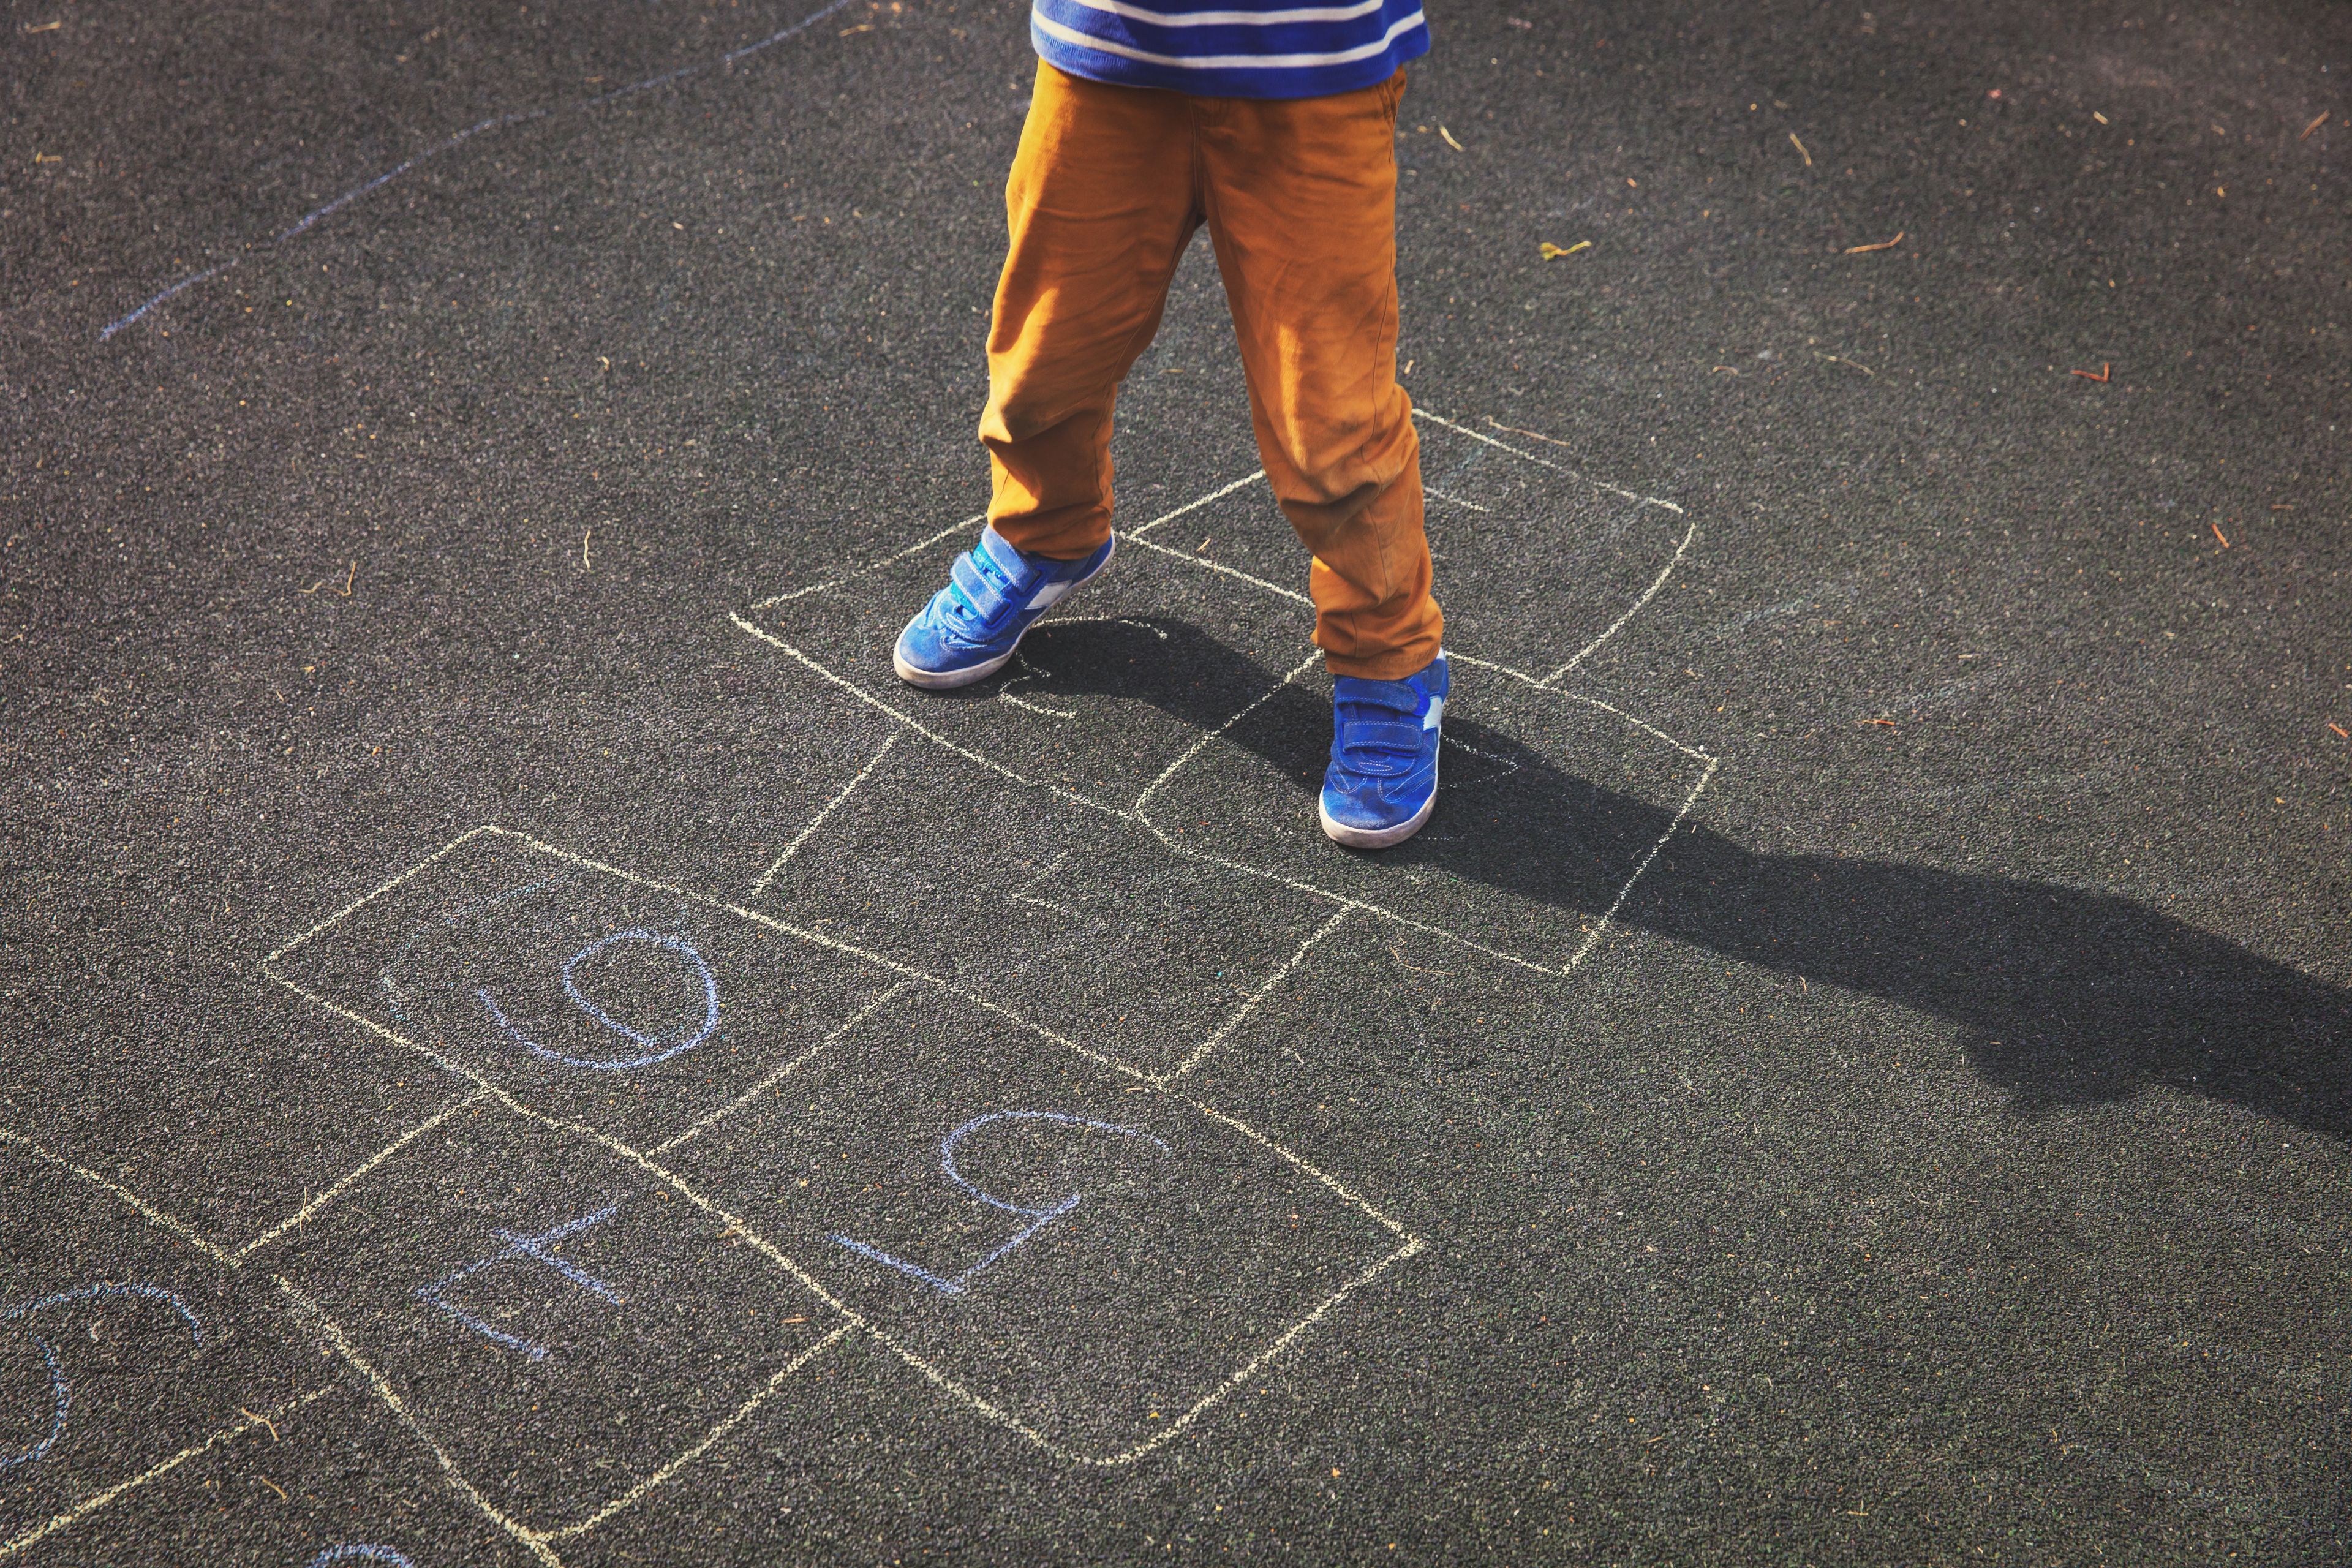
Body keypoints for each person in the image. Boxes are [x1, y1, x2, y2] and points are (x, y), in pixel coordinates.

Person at [888, 0, 1446, 850]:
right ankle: (1048, 531)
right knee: (1047, 354)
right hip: (1109, 49)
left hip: (1309, 67)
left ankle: (1389, 655)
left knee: (1331, 423)